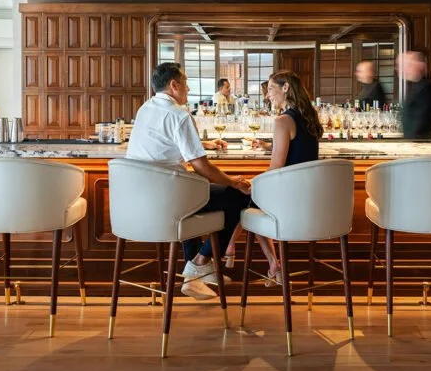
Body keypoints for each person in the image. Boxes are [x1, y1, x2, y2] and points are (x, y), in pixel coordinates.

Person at [126, 62, 252, 300]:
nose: (189, 88)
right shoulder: (179, 114)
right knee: (239, 196)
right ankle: (200, 262)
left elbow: (165, 142)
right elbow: (201, 166)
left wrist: (202, 144)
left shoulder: (146, 108)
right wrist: (232, 181)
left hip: (140, 201)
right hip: (169, 201)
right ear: (174, 85)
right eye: (185, 83)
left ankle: (194, 277)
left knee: (191, 190)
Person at [224, 70, 322, 286]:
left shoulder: (283, 120)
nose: (268, 96)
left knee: (242, 196)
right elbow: (300, 149)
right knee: (253, 198)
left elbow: (275, 169)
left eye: (271, 89)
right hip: (312, 197)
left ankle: (229, 247)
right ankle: (271, 263)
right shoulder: (310, 117)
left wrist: (252, 183)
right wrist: (270, 148)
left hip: (289, 199)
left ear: (285, 88)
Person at [398, 51, 431, 139]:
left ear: (419, 66)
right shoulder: (417, 86)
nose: (403, 70)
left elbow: (421, 121)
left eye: (407, 66)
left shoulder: (425, 87)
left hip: (421, 143)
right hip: (415, 142)